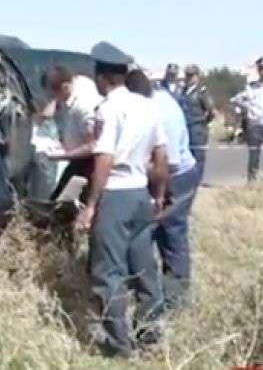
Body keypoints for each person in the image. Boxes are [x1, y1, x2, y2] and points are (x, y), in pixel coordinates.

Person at [75, 43, 169, 358]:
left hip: (115, 194)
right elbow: (162, 158)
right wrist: (158, 196)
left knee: (108, 272)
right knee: (144, 269)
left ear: (102, 78)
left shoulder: (108, 109)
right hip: (141, 193)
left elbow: (104, 159)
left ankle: (119, 346)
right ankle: (150, 337)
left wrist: (91, 205)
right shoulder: (148, 107)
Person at [125, 70, 199, 311]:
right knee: (152, 232)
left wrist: (136, 168)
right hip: (160, 175)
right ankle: (151, 291)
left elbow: (169, 163)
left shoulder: (161, 112)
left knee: (172, 234)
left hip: (176, 178)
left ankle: (174, 299)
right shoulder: (155, 102)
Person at [40, 66, 102, 202]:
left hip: (88, 162)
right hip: (75, 155)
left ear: (65, 87)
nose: (52, 99)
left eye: (53, 95)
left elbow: (92, 146)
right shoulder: (80, 82)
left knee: (62, 202)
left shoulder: (84, 107)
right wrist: (53, 104)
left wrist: (62, 155)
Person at [231, 56, 263, 182]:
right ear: (258, 70)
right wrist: (247, 107)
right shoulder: (251, 87)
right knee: (254, 155)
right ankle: (252, 181)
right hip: (254, 125)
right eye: (261, 68)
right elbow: (235, 100)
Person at [178, 64, 215, 183]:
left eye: (191, 75)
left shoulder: (202, 91)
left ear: (197, 76)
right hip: (185, 127)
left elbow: (211, 111)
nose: (189, 78)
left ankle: (197, 180)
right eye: (187, 75)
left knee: (198, 156)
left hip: (197, 128)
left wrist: (203, 122)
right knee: (185, 155)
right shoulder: (182, 91)